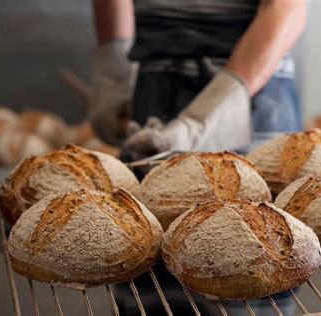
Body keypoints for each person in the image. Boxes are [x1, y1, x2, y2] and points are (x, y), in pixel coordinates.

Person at [89, 0, 306, 314]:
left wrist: (214, 109)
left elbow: (284, 7)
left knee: (250, 262)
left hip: (249, 93)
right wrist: (114, 63)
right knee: (148, 270)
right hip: (153, 87)